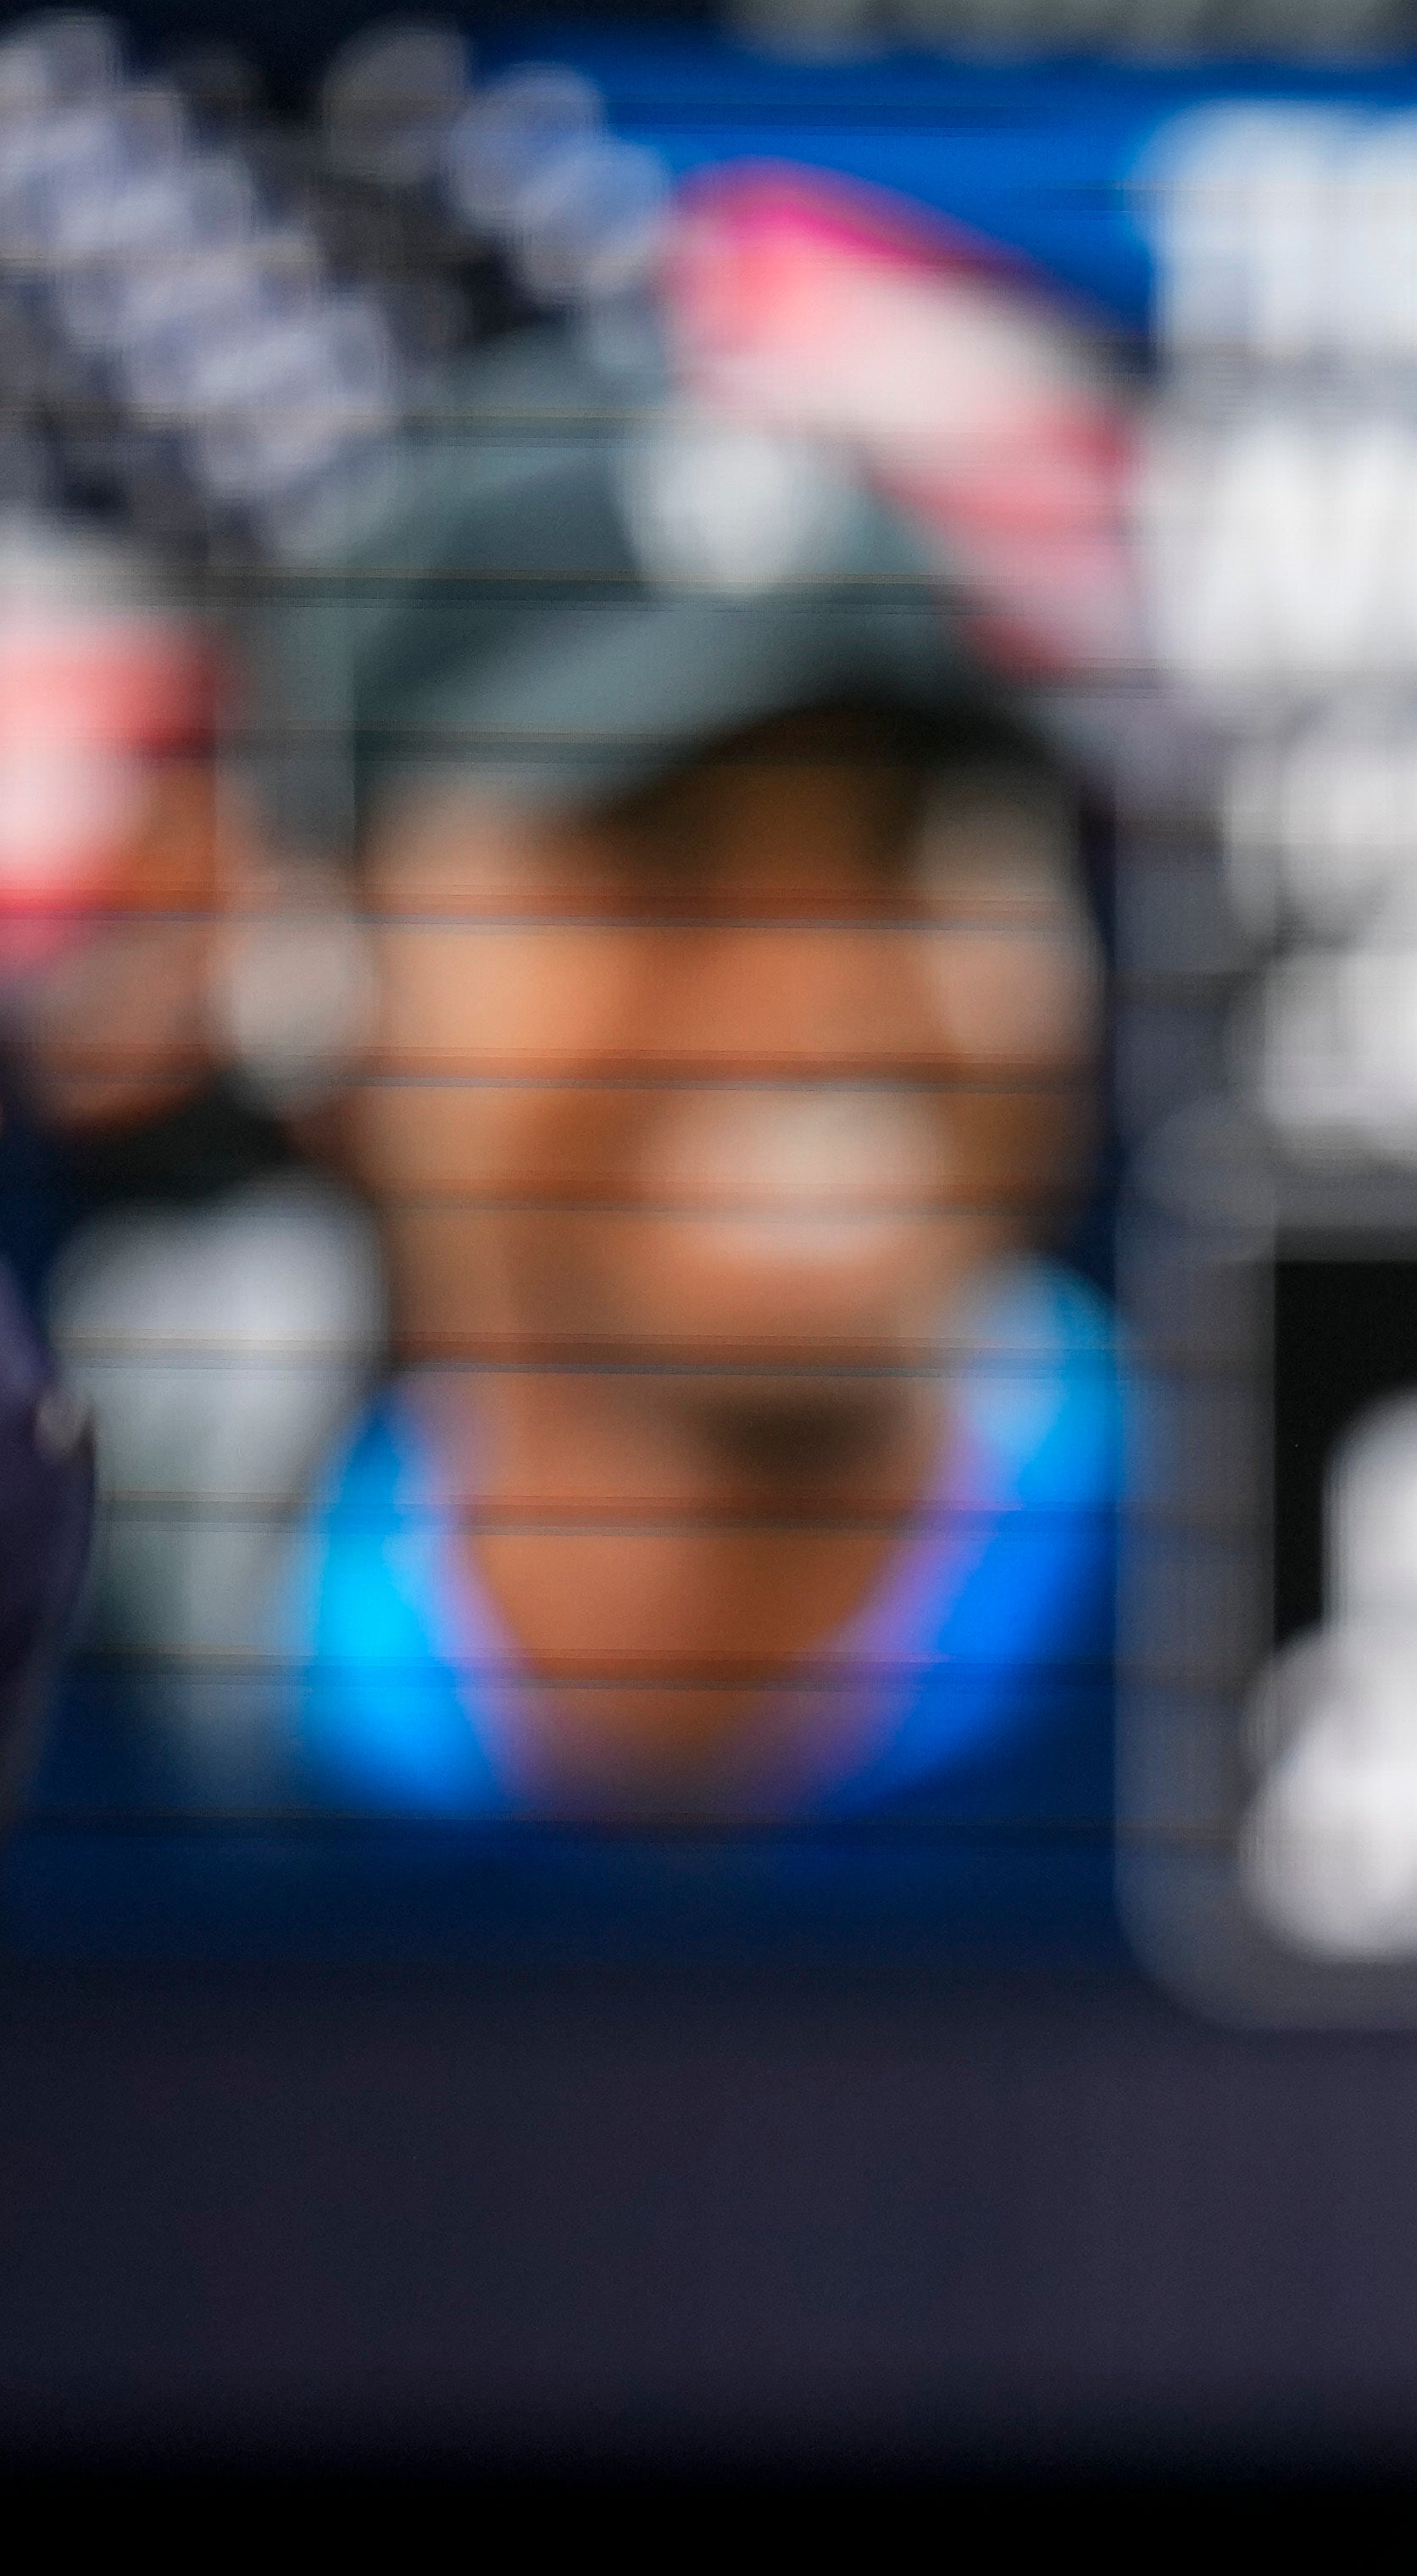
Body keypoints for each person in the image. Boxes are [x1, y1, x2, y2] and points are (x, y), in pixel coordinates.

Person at [69, 326, 1120, 1832]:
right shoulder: (143, 1620)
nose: (815, 1008)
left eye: (911, 848)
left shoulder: (1324, 1563)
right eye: (656, 863)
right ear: (319, 963)